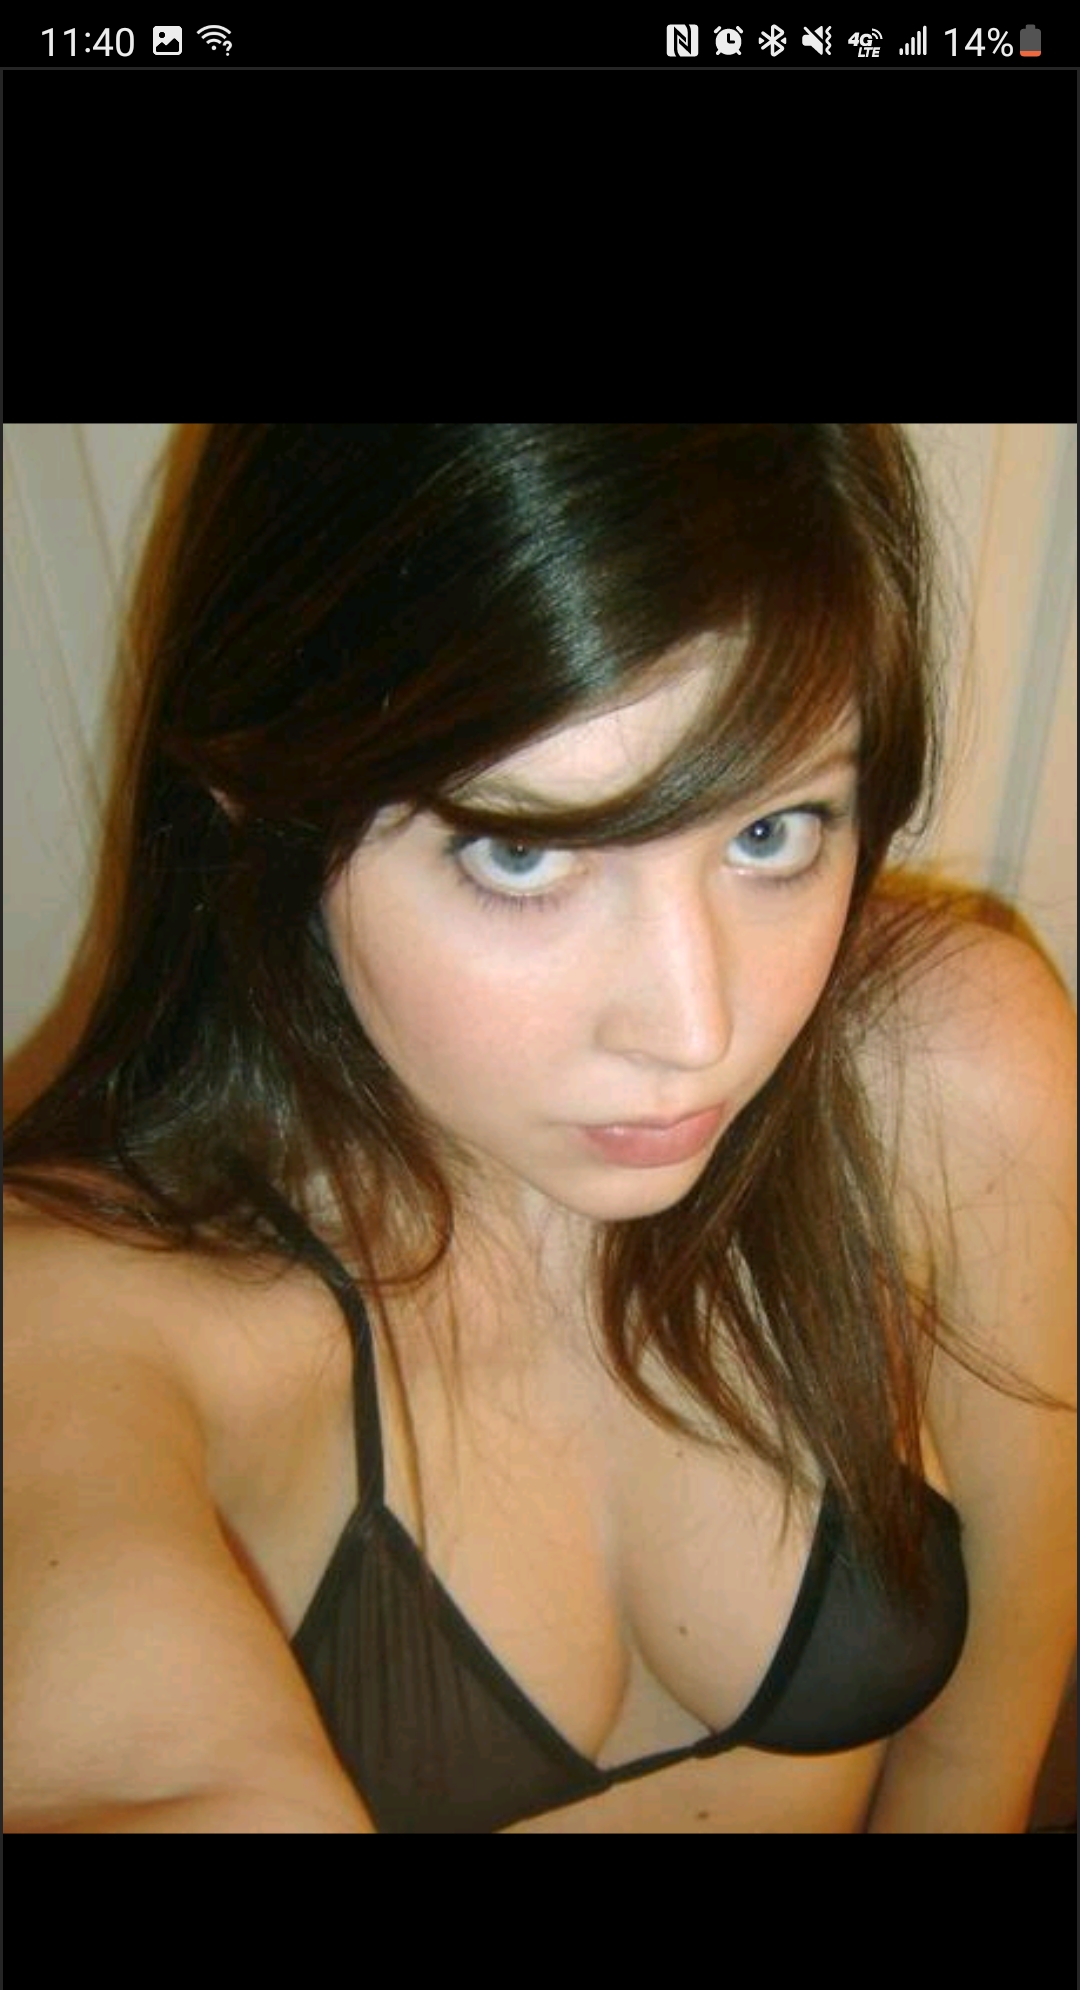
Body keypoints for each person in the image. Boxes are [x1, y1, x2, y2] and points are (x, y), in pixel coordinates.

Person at [3, 423, 1075, 1835]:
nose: (697, 1029)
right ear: (261, 805)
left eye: (772, 832)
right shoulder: (75, 1315)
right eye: (523, 853)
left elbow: (978, 1757)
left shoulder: (949, 1066)